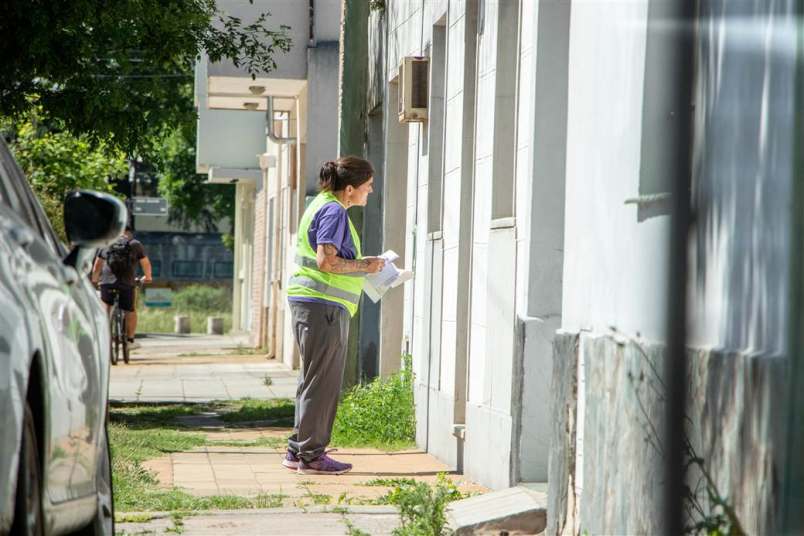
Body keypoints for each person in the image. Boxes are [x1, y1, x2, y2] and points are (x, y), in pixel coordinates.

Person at [283, 156, 385, 475]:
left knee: (312, 378)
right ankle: (312, 456)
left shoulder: (321, 204)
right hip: (322, 305)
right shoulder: (333, 210)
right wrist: (366, 266)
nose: (370, 192)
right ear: (350, 189)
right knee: (322, 382)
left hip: (312, 303)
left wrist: (361, 264)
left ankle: (298, 450)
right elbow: (327, 261)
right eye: (368, 187)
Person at [91, 225, 153, 350]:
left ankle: (104, 338)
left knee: (105, 307)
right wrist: (148, 277)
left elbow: (97, 265)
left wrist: (95, 280)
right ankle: (130, 341)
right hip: (127, 283)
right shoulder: (135, 244)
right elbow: (145, 263)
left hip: (107, 283)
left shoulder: (106, 243)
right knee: (130, 310)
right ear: (129, 233)